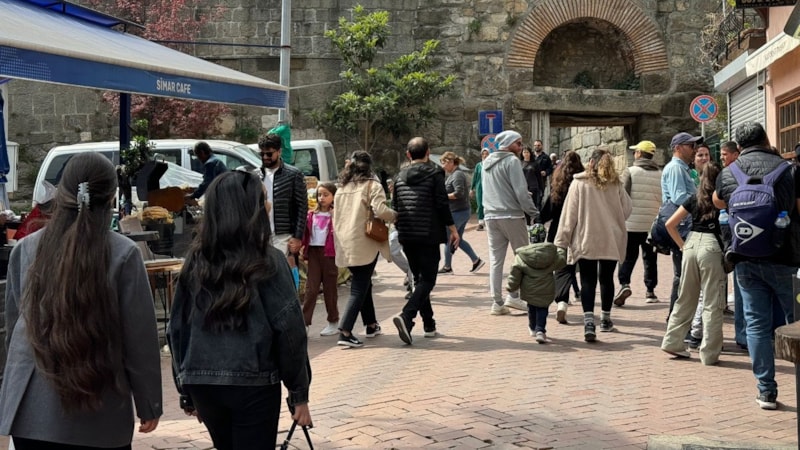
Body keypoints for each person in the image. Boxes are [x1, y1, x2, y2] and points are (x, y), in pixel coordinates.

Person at [0, 152, 162, 448]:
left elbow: (15, 332)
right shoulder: (123, 254)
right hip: (101, 409)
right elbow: (139, 338)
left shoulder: (25, 250)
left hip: (31, 410)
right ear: (111, 198)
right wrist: (149, 401)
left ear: (61, 194)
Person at [168, 170, 311, 447]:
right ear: (251, 209)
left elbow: (178, 328)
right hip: (253, 382)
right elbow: (290, 330)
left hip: (202, 381)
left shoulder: (196, 260)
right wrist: (298, 392)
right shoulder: (268, 260)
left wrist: (185, 388)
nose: (267, 205)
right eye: (264, 199)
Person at [713, 121, 797, 410]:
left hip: (746, 259)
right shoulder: (787, 170)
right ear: (766, 138)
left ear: (739, 145)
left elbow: (718, 202)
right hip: (786, 258)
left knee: (757, 325)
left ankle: (766, 391)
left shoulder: (729, 172)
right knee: (796, 321)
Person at [555, 148, 632, 342]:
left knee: (588, 280)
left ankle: (589, 321)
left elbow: (569, 215)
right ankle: (606, 319)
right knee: (607, 278)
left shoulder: (579, 183)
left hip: (586, 237)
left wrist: (562, 240)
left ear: (591, 163)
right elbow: (627, 210)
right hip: (611, 238)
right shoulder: (616, 185)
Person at [391, 138, 459, 345]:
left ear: (408, 154)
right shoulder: (435, 173)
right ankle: (407, 315)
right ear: (428, 152)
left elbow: (395, 205)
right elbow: (441, 203)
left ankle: (429, 325)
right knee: (428, 280)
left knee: (420, 280)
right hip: (428, 232)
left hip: (407, 233)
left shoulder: (399, 176)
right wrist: (453, 229)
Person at [661, 162, 726, 365]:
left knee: (685, 297)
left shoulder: (693, 198)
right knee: (712, 301)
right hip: (711, 246)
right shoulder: (721, 200)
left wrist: (682, 246)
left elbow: (669, 224)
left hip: (691, 243)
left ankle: (672, 341)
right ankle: (709, 353)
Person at [333, 151, 397, 348]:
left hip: (344, 241)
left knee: (363, 282)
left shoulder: (341, 188)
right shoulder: (372, 185)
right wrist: (396, 215)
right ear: (369, 166)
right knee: (359, 287)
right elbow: (381, 210)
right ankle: (345, 331)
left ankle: (371, 324)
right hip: (365, 241)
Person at [482, 130, 540, 315]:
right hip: (512, 216)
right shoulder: (512, 161)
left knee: (496, 261)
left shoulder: (485, 163)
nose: (521, 147)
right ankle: (515, 297)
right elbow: (521, 192)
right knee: (522, 258)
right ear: (508, 144)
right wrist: (534, 212)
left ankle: (497, 302)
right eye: (518, 143)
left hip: (491, 215)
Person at [614, 140, 662, 306]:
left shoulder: (630, 172)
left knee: (628, 257)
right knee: (650, 258)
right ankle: (650, 291)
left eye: (635, 151)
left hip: (631, 224)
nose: (634, 154)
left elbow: (623, 197)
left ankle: (624, 284)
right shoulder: (660, 174)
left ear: (640, 154)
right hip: (651, 224)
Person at [662, 132, 702, 318]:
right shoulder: (676, 169)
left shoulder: (683, 168)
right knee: (683, 275)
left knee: (684, 274)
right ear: (678, 148)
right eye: (690, 145)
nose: (694, 149)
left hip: (684, 225)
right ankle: (676, 318)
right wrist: (702, 202)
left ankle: (677, 318)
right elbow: (679, 198)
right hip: (682, 226)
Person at [544, 151, 584, 324]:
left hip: (559, 231)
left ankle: (561, 301)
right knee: (579, 267)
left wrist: (536, 218)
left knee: (561, 268)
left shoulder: (558, 185)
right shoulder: (583, 184)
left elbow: (547, 211)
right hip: (580, 230)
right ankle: (582, 298)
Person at [506, 240, 566, 344]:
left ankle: (533, 327)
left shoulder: (521, 256)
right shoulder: (551, 254)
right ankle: (540, 330)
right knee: (543, 309)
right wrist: (561, 248)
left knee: (531, 308)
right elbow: (562, 261)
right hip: (546, 289)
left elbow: (515, 273)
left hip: (529, 290)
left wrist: (511, 287)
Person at [258, 133, 307, 256]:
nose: (265, 157)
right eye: (262, 154)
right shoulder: (256, 176)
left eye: (269, 154)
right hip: (260, 234)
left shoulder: (293, 174)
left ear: (279, 152)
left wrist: (297, 236)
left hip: (283, 236)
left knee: (281, 272)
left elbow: (302, 207)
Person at [301, 182, 340, 336]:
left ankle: (333, 321)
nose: (322, 198)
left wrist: (335, 215)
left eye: (326, 195)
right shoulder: (311, 214)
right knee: (311, 289)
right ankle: (304, 322)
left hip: (329, 253)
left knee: (330, 289)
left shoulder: (336, 214)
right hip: (314, 253)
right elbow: (305, 233)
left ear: (333, 196)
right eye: (319, 195)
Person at [439, 151, 484, 274]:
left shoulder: (457, 175)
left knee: (450, 237)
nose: (443, 166)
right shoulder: (453, 174)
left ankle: (448, 267)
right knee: (457, 238)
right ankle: (476, 260)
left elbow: (458, 193)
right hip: (461, 211)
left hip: (458, 212)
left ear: (450, 162)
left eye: (444, 163)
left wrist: (443, 196)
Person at [186, 141, 228, 206]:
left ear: (202, 153)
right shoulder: (215, 160)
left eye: (198, 156)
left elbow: (207, 183)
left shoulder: (210, 163)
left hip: (221, 195)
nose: (199, 159)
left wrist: (193, 195)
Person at [470, 148, 490, 231]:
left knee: (489, 204)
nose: (485, 156)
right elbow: (475, 177)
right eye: (483, 154)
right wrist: (472, 188)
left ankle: (488, 222)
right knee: (480, 204)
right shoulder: (478, 165)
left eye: (486, 154)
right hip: (480, 187)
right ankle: (481, 223)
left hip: (489, 187)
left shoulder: (491, 164)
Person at [521, 146, 542, 214]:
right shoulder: (519, 163)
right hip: (523, 187)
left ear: (530, 153)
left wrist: (541, 188)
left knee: (534, 205)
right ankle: (527, 223)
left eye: (527, 152)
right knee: (524, 207)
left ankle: (535, 221)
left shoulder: (535, 164)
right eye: (524, 152)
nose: (526, 154)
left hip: (533, 187)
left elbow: (539, 177)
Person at [532, 139, 554, 207]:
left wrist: (546, 172)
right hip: (530, 181)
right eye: (535, 145)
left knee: (539, 200)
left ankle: (538, 216)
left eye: (538, 145)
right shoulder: (531, 156)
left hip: (541, 182)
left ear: (542, 146)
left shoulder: (546, 157)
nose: (537, 147)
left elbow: (550, 168)